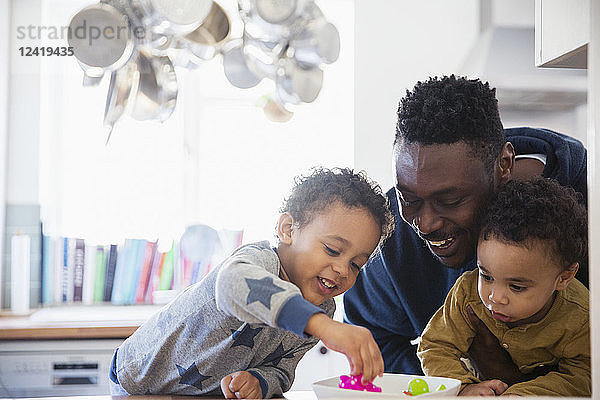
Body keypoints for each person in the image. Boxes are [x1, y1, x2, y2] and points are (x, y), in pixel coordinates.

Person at [343, 75, 588, 378]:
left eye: (451, 200)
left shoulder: (590, 214)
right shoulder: (396, 227)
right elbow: (370, 336)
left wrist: (505, 379)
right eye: (410, 199)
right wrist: (451, 384)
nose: (425, 223)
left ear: (504, 165)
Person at [109, 167, 394, 398]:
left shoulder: (323, 309)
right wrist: (322, 325)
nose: (343, 269)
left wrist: (259, 381)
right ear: (288, 230)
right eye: (332, 250)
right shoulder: (257, 262)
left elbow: (282, 370)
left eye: (357, 265)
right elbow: (233, 284)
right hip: (137, 381)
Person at [417, 177, 590, 396]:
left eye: (517, 287)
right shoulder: (467, 295)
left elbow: (585, 374)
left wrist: (523, 393)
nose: (495, 297)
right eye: (486, 276)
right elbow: (435, 346)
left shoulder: (582, 317)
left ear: (564, 277)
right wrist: (463, 387)